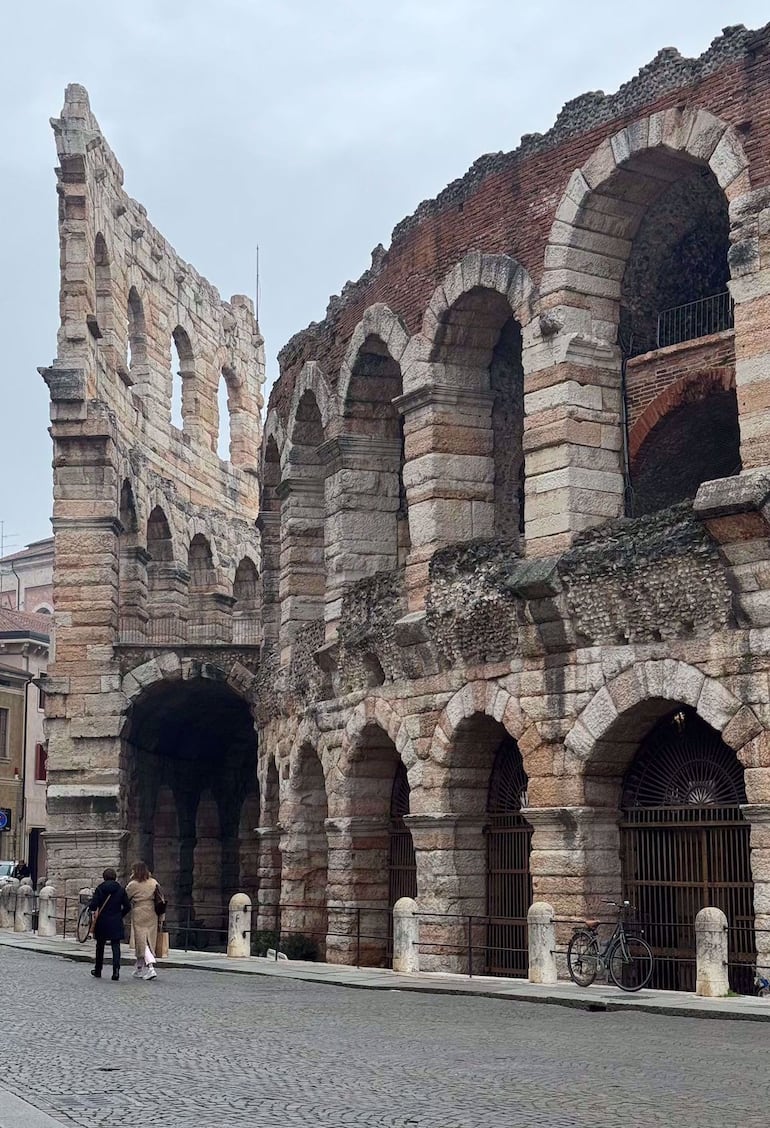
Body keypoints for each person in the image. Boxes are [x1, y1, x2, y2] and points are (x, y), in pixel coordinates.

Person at [89, 867, 130, 981]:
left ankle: (98, 970)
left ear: (104, 877)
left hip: (102, 921)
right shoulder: (121, 890)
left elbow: (93, 906)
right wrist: (120, 915)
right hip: (116, 920)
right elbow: (127, 906)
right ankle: (116, 971)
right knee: (116, 946)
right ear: (115, 877)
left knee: (100, 946)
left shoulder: (100, 889)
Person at [126, 860, 161, 981]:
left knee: (142, 941)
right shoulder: (153, 882)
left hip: (139, 911)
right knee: (149, 938)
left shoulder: (133, 884)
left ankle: (151, 967)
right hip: (152, 912)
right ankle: (139, 968)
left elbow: (127, 897)